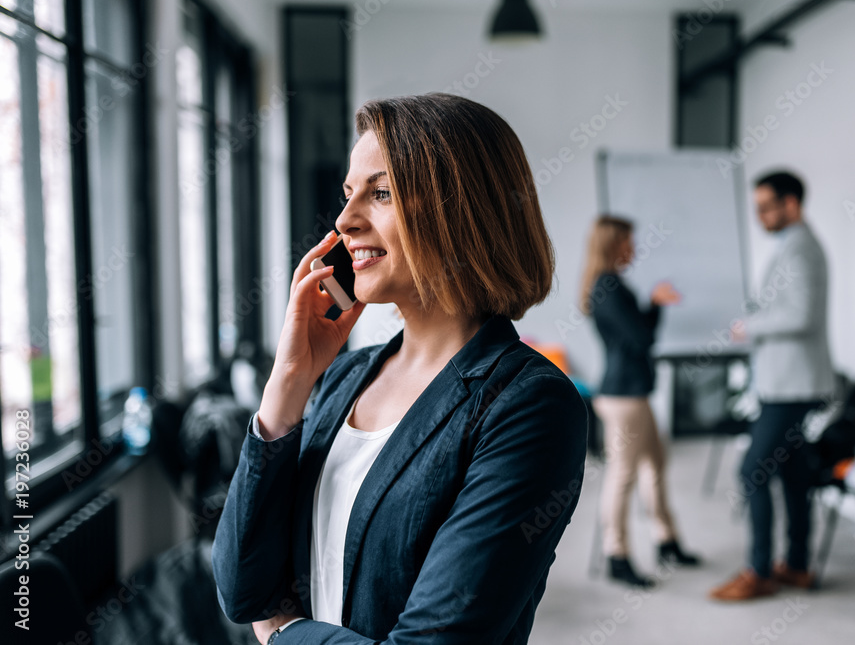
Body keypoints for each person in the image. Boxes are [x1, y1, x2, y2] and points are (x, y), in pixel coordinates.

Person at [212, 93, 589, 644]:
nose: (344, 220)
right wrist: (287, 384)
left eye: (380, 193)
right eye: (348, 195)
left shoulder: (528, 403)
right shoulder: (344, 378)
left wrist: (283, 634)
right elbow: (240, 591)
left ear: (463, 212)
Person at [710, 170, 836, 601]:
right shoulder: (794, 245)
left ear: (792, 204)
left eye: (766, 206)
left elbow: (801, 316)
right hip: (788, 382)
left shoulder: (800, 249)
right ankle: (797, 565)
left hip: (792, 386)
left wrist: (751, 326)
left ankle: (759, 571)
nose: (760, 215)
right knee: (794, 472)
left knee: (752, 470)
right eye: (757, 207)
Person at [580, 215, 701, 589]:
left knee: (656, 465)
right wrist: (656, 304)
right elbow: (641, 339)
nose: (633, 249)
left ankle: (666, 541)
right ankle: (617, 556)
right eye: (628, 242)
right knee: (624, 475)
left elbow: (635, 334)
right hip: (624, 398)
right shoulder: (610, 287)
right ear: (613, 244)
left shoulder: (608, 284)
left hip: (633, 395)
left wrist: (650, 302)